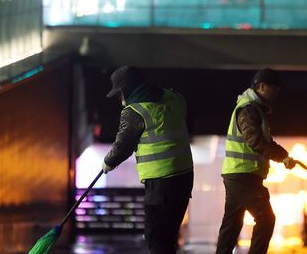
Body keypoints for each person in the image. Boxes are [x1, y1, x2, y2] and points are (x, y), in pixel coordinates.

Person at [102, 65, 194, 254]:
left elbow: (123, 146)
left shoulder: (134, 111)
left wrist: (108, 163)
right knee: (168, 236)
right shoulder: (175, 98)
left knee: (156, 237)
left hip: (161, 184)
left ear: (125, 90)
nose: (120, 100)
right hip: (184, 177)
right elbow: (189, 125)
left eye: (119, 94)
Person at [216, 68, 296, 254]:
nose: (277, 91)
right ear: (261, 86)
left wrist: (284, 155)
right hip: (243, 175)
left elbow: (265, 141)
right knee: (266, 218)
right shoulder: (249, 109)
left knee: (232, 224)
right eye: (274, 87)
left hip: (239, 174)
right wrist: (281, 157)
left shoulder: (255, 109)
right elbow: (255, 140)